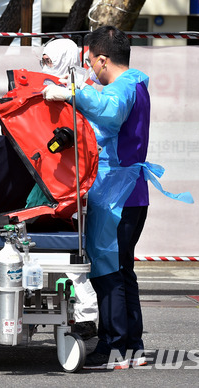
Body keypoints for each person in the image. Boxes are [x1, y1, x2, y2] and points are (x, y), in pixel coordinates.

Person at [43, 26, 151, 370]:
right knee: (123, 272)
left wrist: (70, 92)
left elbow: (109, 111)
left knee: (108, 273)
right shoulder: (136, 83)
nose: (90, 69)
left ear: (102, 59)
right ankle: (132, 346)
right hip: (130, 192)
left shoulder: (122, 89)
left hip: (114, 194)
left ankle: (112, 346)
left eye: (91, 62)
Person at [38, 38, 99, 341]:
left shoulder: (83, 90)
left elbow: (92, 131)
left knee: (78, 255)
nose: (45, 66)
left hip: (81, 181)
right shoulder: (41, 90)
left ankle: (87, 316)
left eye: (49, 60)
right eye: (44, 60)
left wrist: (70, 94)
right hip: (49, 179)